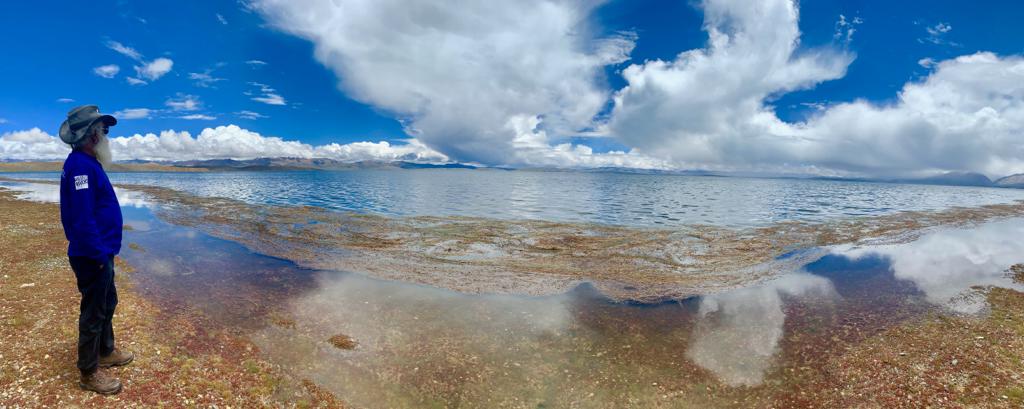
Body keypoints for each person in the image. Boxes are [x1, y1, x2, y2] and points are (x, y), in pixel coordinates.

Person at [58, 105, 134, 395]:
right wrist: (97, 255)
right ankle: (88, 373)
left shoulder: (88, 163)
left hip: (101, 251)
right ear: (91, 135)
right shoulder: (80, 166)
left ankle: (105, 350)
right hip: (93, 254)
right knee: (93, 312)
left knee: (107, 303)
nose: (107, 135)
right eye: (104, 130)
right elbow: (82, 217)